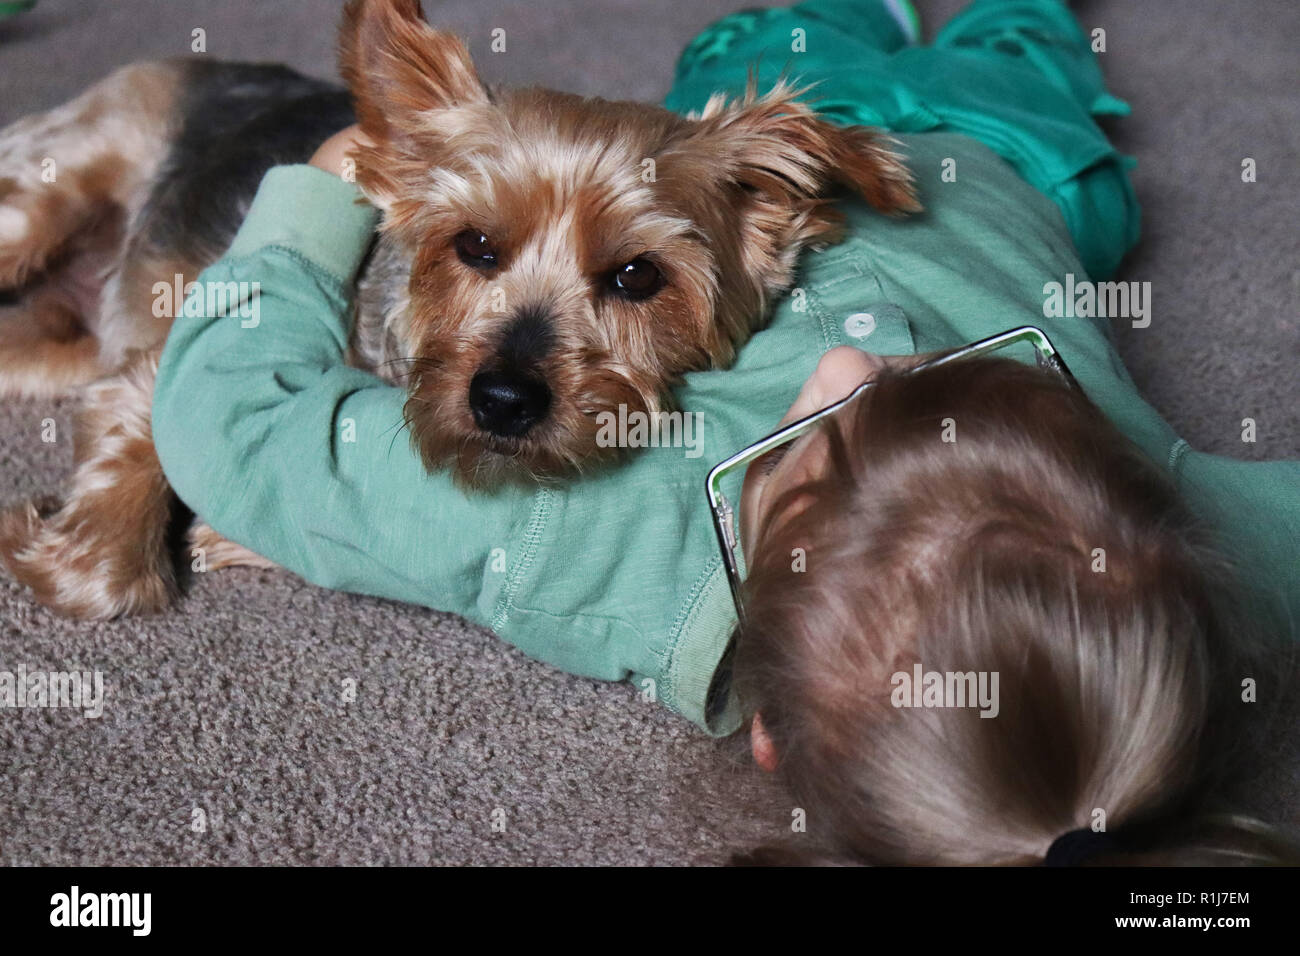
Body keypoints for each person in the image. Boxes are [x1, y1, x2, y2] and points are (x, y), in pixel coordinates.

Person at [152, 0, 1299, 863]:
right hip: (1017, 153)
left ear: (769, 732)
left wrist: (322, 186)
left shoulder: (594, 534)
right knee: (1024, 34)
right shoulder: (1196, 543)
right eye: (950, 402)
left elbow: (231, 424)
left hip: (749, 120)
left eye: (810, 448)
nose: (848, 364)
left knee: (780, 26)